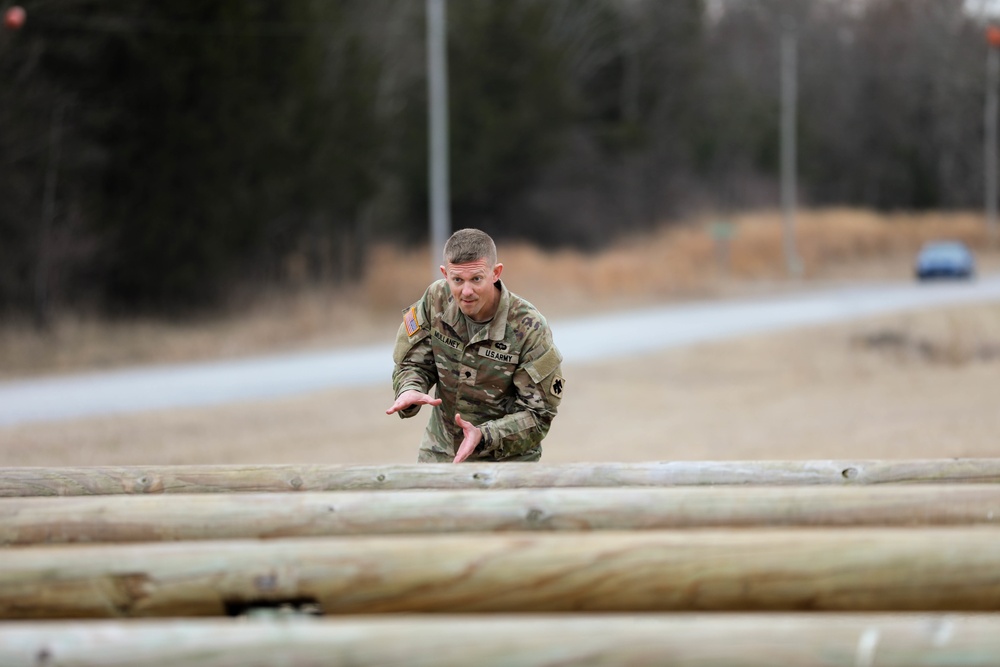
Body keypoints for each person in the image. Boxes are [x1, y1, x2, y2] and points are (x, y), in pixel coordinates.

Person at [386, 228, 564, 463]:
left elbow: (539, 415)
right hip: (442, 452)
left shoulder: (528, 327)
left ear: (496, 273)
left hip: (506, 462)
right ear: (445, 273)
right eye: (457, 280)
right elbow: (412, 362)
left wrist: (484, 436)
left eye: (476, 279)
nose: (466, 291)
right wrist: (410, 387)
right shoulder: (435, 299)